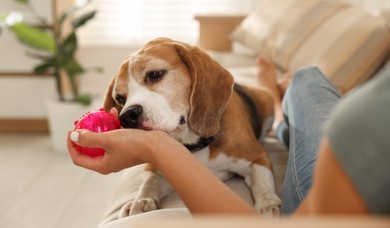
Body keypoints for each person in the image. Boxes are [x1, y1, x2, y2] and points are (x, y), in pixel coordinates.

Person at [67, 57, 390, 216]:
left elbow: (255, 161)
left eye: (155, 76)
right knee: (304, 84)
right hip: (343, 179)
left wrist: (151, 145)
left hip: (324, 197)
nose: (128, 111)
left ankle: (277, 105)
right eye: (122, 101)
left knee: (306, 78)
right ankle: (279, 108)